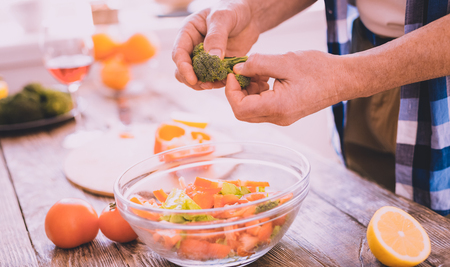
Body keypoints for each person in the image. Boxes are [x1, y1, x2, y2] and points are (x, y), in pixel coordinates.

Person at [172, 0, 450, 216]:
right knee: (369, 217)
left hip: (438, 85)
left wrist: (346, 77)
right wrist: (252, 11)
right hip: (366, 50)